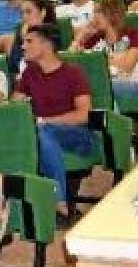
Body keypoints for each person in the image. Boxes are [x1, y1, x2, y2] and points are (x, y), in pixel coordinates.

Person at [12, 25, 91, 223]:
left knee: (42, 131)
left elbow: (84, 115)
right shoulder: (30, 73)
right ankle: (55, 203)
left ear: (46, 44)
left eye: (29, 41)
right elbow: (15, 106)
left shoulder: (73, 73)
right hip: (43, 134)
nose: (23, 46)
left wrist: (45, 121)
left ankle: (58, 200)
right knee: (40, 134)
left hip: (76, 135)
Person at [71, 0, 138, 99]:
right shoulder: (97, 38)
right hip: (105, 81)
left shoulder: (133, 34)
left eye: (99, 12)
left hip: (132, 83)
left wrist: (95, 59)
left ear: (112, 15)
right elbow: (70, 60)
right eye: (94, 12)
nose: (94, 16)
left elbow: (127, 66)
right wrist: (81, 35)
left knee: (93, 87)